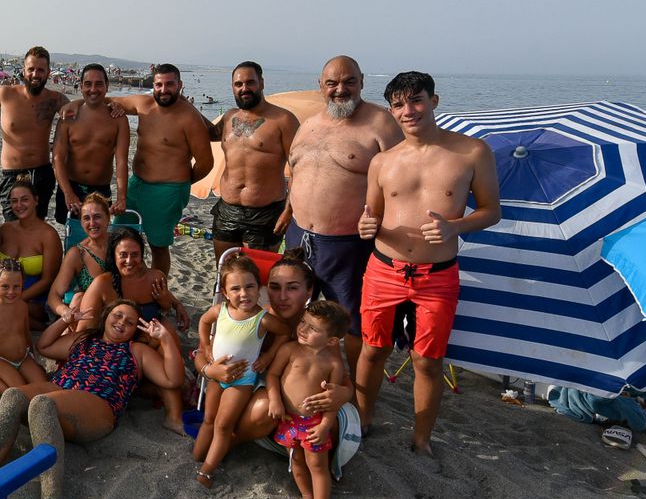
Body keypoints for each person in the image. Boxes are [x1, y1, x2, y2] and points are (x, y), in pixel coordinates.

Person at [357, 71, 500, 453]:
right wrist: (366, 225)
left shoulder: (472, 152)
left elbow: (491, 211)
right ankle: (363, 420)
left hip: (437, 275)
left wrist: (455, 226)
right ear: (391, 112)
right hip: (383, 269)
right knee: (372, 350)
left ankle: (422, 439)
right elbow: (372, 215)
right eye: (399, 105)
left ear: (434, 101)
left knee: (428, 361)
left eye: (416, 100)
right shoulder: (382, 162)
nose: (409, 111)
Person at [0, 299, 183, 499]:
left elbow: (172, 379)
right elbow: (43, 346)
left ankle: (50, 498)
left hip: (98, 403)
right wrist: (64, 321)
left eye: (130, 322)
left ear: (134, 330)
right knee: (13, 396)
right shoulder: (84, 338)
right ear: (106, 316)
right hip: (61, 389)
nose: (121, 322)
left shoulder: (137, 350)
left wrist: (165, 340)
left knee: (42, 405)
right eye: (117, 315)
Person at [282, 55, 402, 407]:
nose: (340, 89)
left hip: (347, 244)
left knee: (349, 322)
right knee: (291, 312)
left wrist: (382, 220)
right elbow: (297, 173)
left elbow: (401, 183)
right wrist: (289, 210)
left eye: (348, 81)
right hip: (297, 236)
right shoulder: (309, 125)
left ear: (362, 81)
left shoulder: (381, 124)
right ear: (321, 85)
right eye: (332, 83)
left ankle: (352, 395)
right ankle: (293, 377)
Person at [191, 250, 316, 464]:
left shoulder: (313, 332)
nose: (283, 296)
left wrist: (339, 393)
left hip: (264, 398)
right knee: (212, 420)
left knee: (230, 422)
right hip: (226, 382)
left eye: (293, 288)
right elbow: (201, 355)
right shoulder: (232, 312)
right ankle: (207, 452)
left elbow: (334, 372)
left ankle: (228, 445)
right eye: (275, 287)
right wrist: (208, 366)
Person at [77, 227, 191, 431]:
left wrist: (173, 302)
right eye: (123, 255)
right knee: (165, 351)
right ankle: (168, 403)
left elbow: (163, 306)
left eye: (135, 255)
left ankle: (173, 416)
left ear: (142, 255)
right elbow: (86, 325)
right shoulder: (104, 283)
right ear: (114, 255)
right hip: (117, 347)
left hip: (147, 339)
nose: (129, 261)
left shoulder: (154, 277)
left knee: (165, 331)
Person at [108, 64, 214, 278]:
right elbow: (106, 100)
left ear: (180, 85)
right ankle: (124, 284)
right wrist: (113, 106)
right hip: (136, 185)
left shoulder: (189, 117)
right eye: (159, 84)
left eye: (169, 84)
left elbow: (206, 162)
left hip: (168, 191)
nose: (164, 89)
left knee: (158, 245)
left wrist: (181, 183)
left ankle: (156, 290)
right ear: (153, 85)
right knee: (119, 237)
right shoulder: (144, 105)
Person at [192, 255, 281, 488]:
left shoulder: (262, 319)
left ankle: (208, 471)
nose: (244, 294)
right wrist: (206, 345)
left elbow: (285, 332)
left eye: (250, 286)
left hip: (242, 381)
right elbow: (202, 321)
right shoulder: (220, 310)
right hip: (216, 376)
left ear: (259, 288)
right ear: (225, 291)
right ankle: (199, 458)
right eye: (236, 288)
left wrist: (269, 355)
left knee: (223, 425)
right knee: (209, 419)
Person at [269, 300, 354, 499]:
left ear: (332, 340)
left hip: (314, 422)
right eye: (303, 322)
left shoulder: (334, 363)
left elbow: (331, 402)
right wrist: (275, 400)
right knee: (296, 460)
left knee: (318, 466)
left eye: (313, 328)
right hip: (288, 419)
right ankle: (307, 494)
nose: (303, 329)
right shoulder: (289, 350)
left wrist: (325, 425)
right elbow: (273, 375)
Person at [0, 46, 68, 220]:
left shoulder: (55, 99)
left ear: (48, 72)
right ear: (24, 70)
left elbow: (79, 112)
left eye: (40, 70)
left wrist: (112, 105)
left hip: (41, 173)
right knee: (13, 227)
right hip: (11, 174)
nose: (35, 74)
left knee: (36, 225)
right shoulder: (6, 93)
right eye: (31, 69)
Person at [208, 62, 299, 257]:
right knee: (226, 274)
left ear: (262, 83)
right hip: (227, 210)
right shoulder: (228, 117)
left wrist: (289, 210)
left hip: (265, 214)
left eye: (250, 82)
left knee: (259, 276)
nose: (244, 88)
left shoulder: (283, 120)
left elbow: (298, 169)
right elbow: (202, 132)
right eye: (238, 84)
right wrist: (181, 104)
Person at [53, 63, 129, 229]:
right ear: (81, 86)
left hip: (100, 189)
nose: (93, 89)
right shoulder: (68, 116)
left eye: (99, 84)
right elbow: (57, 157)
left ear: (107, 86)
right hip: (71, 186)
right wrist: (68, 193)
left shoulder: (118, 119)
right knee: (71, 237)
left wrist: (122, 196)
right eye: (88, 84)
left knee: (99, 240)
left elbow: (122, 161)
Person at [0, 178, 62, 326]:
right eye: (14, 201)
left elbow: (48, 280)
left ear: (36, 200)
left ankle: (39, 327)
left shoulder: (48, 235)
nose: (19, 205)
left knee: (8, 309)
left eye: (24, 200)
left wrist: (17, 297)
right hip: (6, 292)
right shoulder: (5, 229)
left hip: (35, 298)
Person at [0, 259, 50, 394]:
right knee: (20, 392)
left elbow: (26, 333)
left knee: (44, 387)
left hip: (23, 357)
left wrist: (33, 357)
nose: (11, 292)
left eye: (16, 287)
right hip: (0, 359)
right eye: (5, 286)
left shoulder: (22, 306)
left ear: (22, 285)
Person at [48, 193, 114, 313]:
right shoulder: (78, 254)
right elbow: (54, 295)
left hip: (119, 312)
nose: (92, 223)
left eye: (97, 217)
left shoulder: (121, 245)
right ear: (81, 223)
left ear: (108, 218)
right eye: (86, 218)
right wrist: (66, 312)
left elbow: (140, 275)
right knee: (78, 300)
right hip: (92, 313)